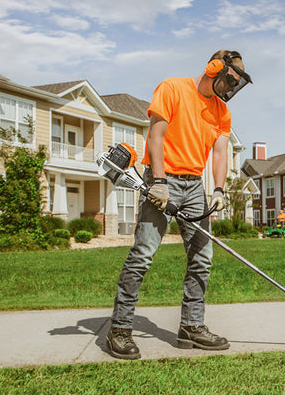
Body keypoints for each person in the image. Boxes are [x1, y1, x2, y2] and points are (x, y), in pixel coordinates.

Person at [106, 50, 251, 360]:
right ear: (214, 69)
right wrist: (158, 181)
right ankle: (119, 329)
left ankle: (191, 327)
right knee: (143, 254)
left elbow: (221, 152)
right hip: (163, 178)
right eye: (230, 80)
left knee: (203, 257)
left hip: (195, 185)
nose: (231, 89)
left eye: (236, 84)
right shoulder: (171, 89)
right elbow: (155, 137)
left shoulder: (221, 112)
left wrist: (220, 189)